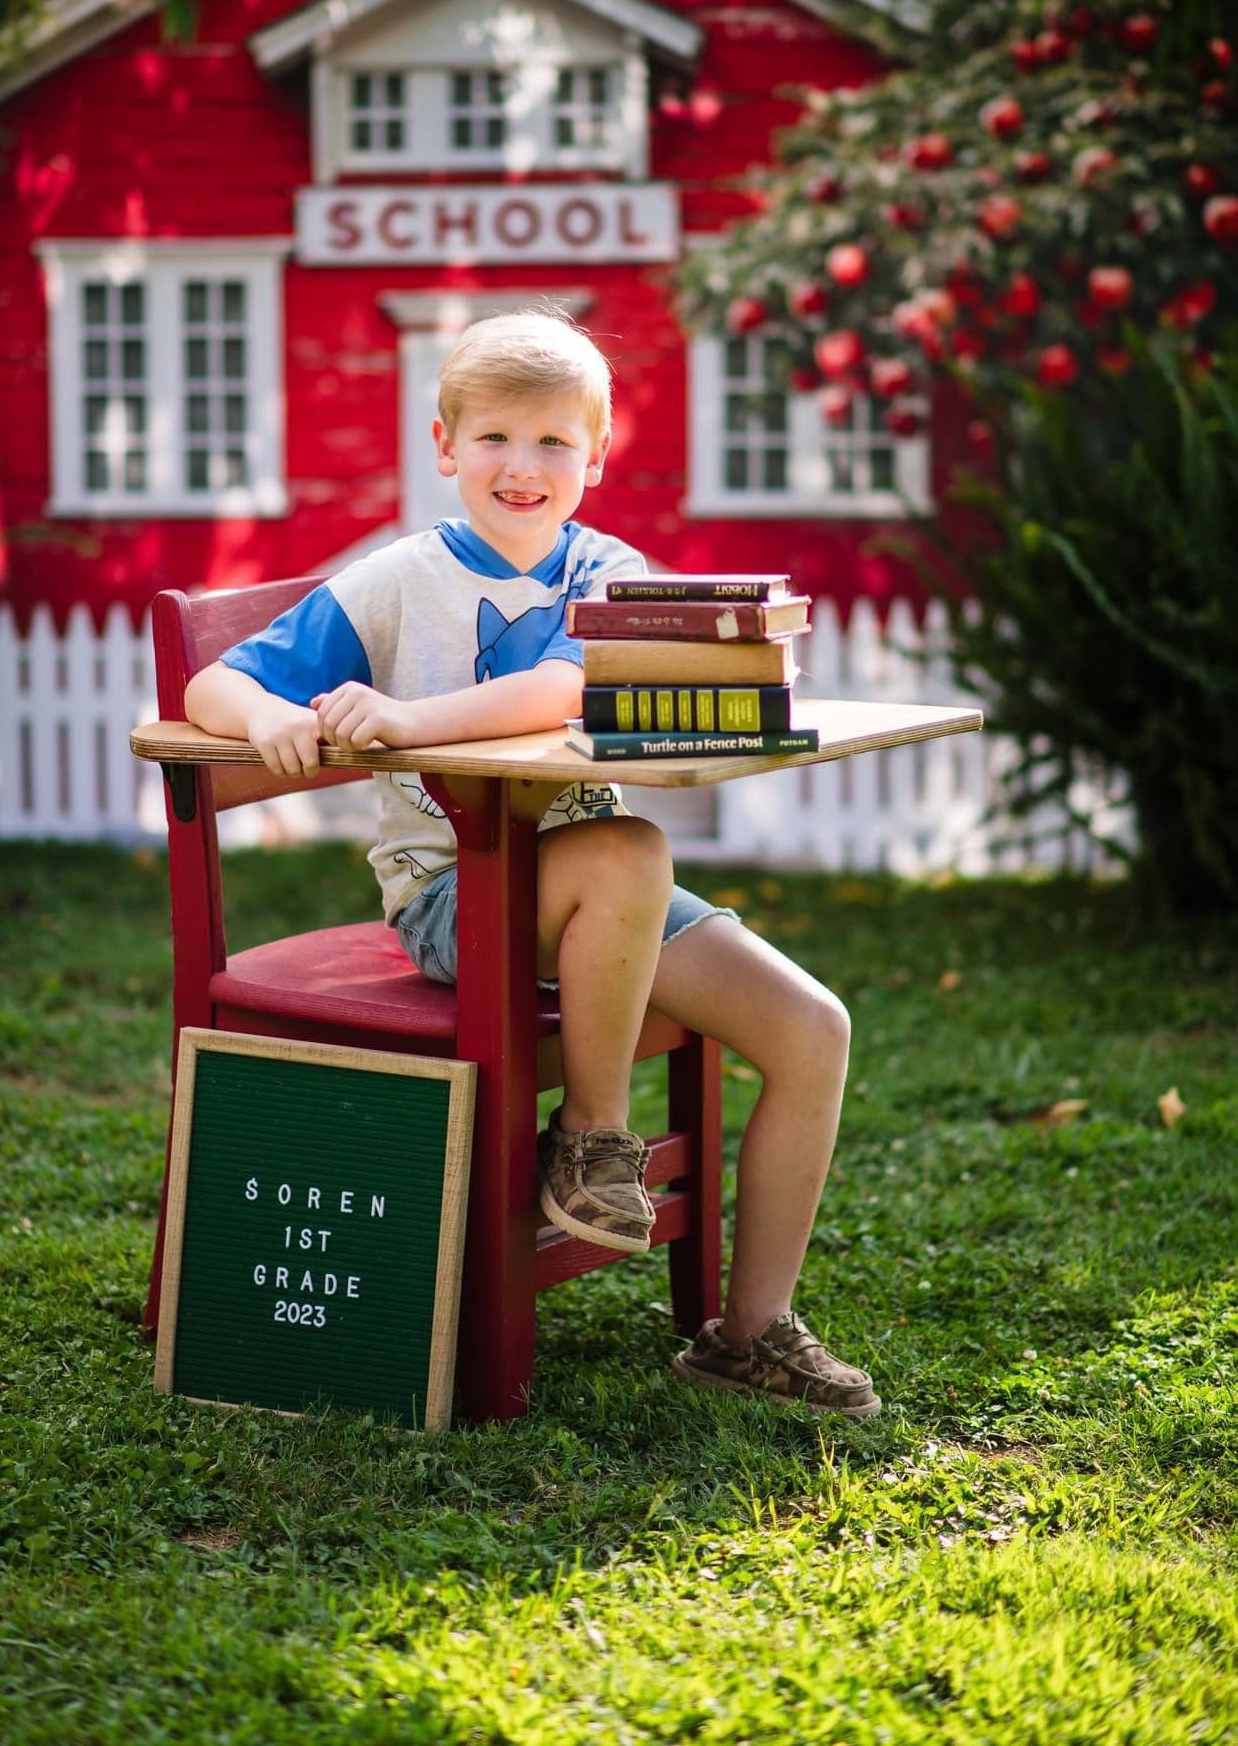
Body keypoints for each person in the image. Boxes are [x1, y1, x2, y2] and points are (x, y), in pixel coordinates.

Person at [185, 309, 879, 1418]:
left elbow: (562, 688)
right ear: (444, 444)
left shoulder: (609, 571)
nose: (524, 466)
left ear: (596, 457)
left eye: (556, 441)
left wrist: (406, 718)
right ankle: (592, 1140)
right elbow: (208, 689)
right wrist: (266, 713)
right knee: (627, 847)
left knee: (810, 1026)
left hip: (597, 889)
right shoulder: (396, 581)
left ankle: (747, 1335)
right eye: (497, 436)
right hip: (453, 898)